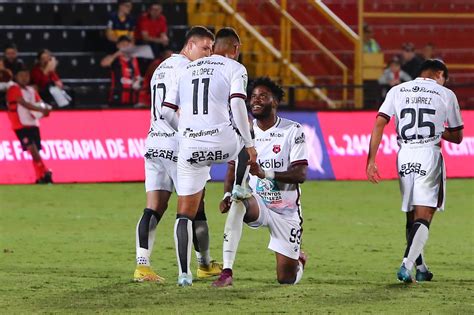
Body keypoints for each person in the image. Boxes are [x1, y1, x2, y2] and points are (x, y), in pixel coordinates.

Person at [161, 27, 257, 286]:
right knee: (248, 134)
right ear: (235, 50)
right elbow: (237, 105)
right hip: (222, 143)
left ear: (214, 48)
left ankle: (184, 274)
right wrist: (248, 144)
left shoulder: (185, 70)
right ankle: (237, 188)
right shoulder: (235, 68)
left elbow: (166, 111)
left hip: (191, 147)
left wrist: (183, 133)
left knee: (184, 214)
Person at [134, 26, 222, 282]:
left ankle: (142, 265)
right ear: (190, 45)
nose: (208, 54)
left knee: (153, 207)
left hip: (154, 143)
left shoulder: (161, 68)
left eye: (212, 49)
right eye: (205, 48)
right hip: (179, 145)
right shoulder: (188, 69)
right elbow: (175, 109)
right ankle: (203, 264)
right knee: (195, 207)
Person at [366, 59, 464, 283]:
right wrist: (439, 130)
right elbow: (458, 137)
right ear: (439, 74)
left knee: (411, 213)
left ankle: (421, 267)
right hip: (429, 153)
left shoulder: (397, 90)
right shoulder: (445, 94)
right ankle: (406, 264)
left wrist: (371, 160)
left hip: (404, 154)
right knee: (425, 214)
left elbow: (380, 122)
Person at [212, 77, 308, 287]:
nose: (256, 100)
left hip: (287, 212)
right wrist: (227, 194)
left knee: (286, 279)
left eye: (263, 96)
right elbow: (232, 167)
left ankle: (299, 260)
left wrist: (267, 174)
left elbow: (300, 174)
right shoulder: (245, 132)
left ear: (275, 102)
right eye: (253, 97)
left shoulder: (293, 130)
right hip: (260, 204)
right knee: (239, 200)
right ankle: (227, 271)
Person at [7, 65, 53, 184]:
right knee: (32, 149)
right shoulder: (13, 88)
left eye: (26, 75)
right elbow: (23, 103)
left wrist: (45, 110)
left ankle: (39, 177)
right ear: (16, 77)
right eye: (21, 75)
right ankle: (45, 172)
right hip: (20, 125)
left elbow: (40, 104)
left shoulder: (31, 90)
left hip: (33, 123)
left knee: (36, 151)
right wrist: (41, 110)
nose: (24, 78)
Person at [101, 35, 141, 107]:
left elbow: (137, 75)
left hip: (131, 97)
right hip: (116, 97)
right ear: (118, 46)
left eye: (127, 44)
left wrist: (137, 82)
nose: (125, 46)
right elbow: (104, 63)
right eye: (123, 44)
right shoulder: (114, 59)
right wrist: (117, 54)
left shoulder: (134, 59)